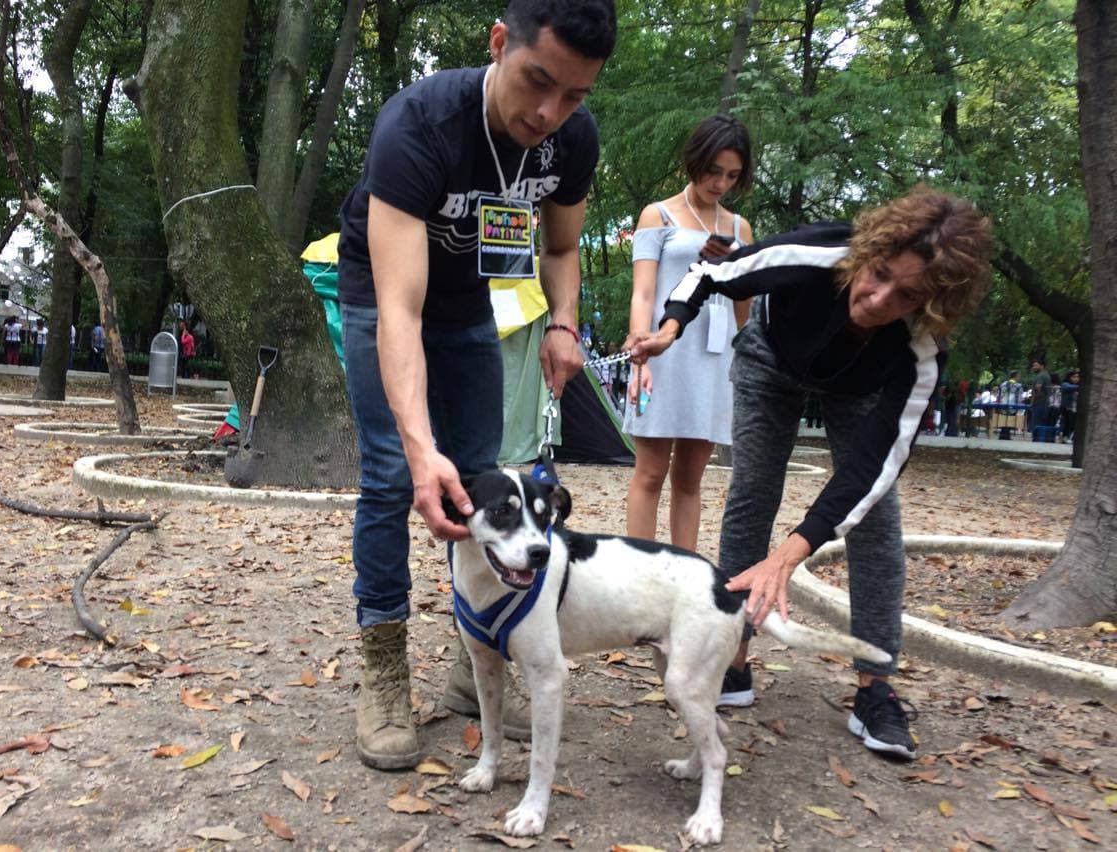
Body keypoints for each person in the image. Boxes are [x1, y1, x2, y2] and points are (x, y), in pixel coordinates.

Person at [334, 0, 617, 770]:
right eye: (537, 82)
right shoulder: (420, 126)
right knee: (399, 476)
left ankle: (478, 657)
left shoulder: (570, 141)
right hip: (381, 294)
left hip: (472, 305)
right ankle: (385, 665)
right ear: (499, 43)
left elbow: (561, 246)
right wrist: (423, 447)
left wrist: (563, 321)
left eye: (575, 97)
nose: (550, 112)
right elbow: (399, 308)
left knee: (483, 475)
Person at [627, 185, 993, 760]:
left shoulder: (920, 349)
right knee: (753, 492)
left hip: (858, 388)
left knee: (877, 520)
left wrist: (791, 555)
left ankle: (875, 685)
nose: (877, 299)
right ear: (866, 252)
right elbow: (708, 275)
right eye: (878, 274)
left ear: (931, 305)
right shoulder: (816, 255)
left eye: (906, 295)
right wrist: (672, 326)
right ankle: (733, 659)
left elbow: (873, 471)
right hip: (772, 358)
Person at [622, 114, 754, 558]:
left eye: (732, 175)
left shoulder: (740, 229)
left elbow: (743, 311)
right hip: (661, 352)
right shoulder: (656, 215)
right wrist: (640, 342)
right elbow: (643, 291)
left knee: (690, 478)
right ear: (694, 161)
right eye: (714, 170)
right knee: (650, 472)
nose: (720, 183)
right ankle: (638, 574)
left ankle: (685, 576)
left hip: (714, 361)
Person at [1029, 358, 1051, 440]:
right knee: (1042, 422)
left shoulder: (1040, 376)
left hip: (1039, 403)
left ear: (1042, 366)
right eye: (1033, 365)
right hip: (1045, 402)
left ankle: (1036, 440)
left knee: (1036, 423)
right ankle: (1040, 439)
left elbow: (1038, 387)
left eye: (1036, 365)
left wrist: (1033, 399)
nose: (1033, 367)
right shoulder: (1046, 374)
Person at [1060, 369, 1080, 442]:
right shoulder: (1065, 384)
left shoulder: (1077, 386)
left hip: (1075, 407)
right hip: (1067, 407)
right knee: (1067, 423)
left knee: (1073, 423)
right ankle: (1065, 437)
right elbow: (1068, 387)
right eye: (1074, 377)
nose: (1076, 379)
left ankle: (1069, 437)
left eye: (1077, 377)